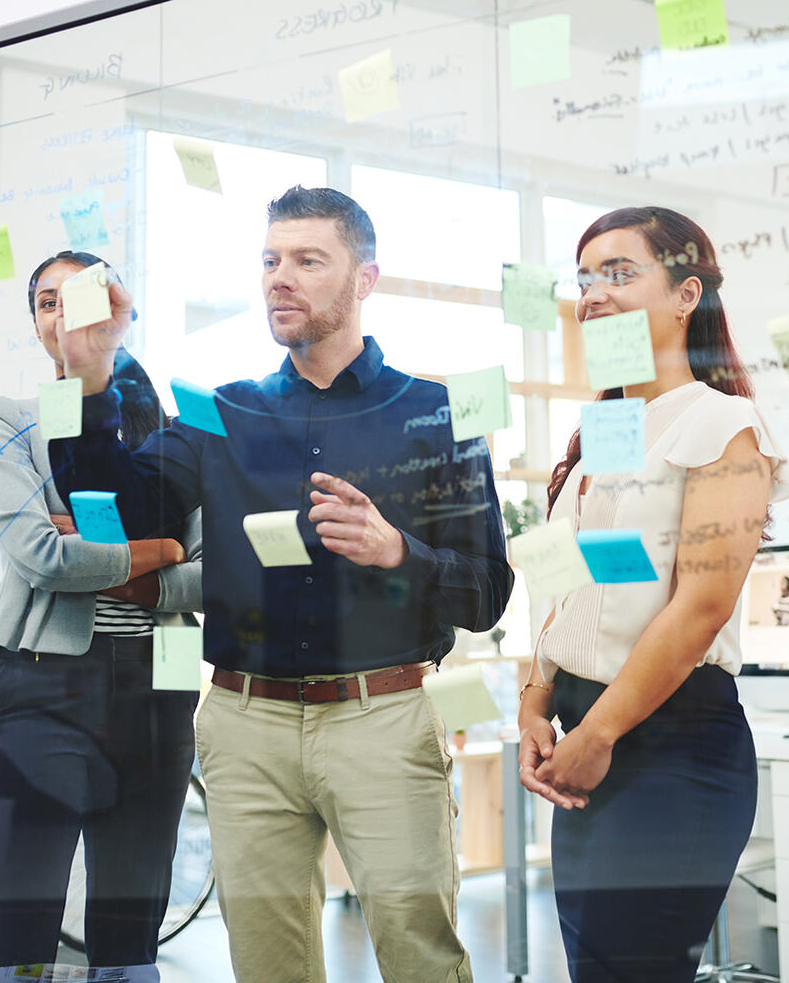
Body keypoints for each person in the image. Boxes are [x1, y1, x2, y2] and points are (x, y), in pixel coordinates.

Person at [46, 186, 512, 983]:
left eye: (307, 260)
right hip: (242, 727)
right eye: (269, 261)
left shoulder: (439, 412)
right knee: (266, 967)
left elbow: (488, 593)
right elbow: (115, 515)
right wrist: (88, 370)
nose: (278, 278)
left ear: (364, 279)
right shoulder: (218, 411)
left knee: (420, 957)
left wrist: (398, 550)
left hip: (383, 721)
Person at [516, 206, 789, 982]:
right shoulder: (600, 431)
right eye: (585, 278)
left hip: (672, 747)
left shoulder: (724, 423)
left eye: (619, 272)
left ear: (685, 296)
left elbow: (701, 606)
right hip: (585, 732)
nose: (593, 293)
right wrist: (535, 705)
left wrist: (596, 734)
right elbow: (564, 588)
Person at [0, 251, 201, 976]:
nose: (63, 315)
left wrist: (149, 573)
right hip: (41, 686)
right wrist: (161, 546)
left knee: (132, 934)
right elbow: (44, 556)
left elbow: (217, 574)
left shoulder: (178, 432)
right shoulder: (5, 422)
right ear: (37, 324)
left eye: (81, 298)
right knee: (13, 928)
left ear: (119, 313)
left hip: (160, 689)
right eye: (46, 301)